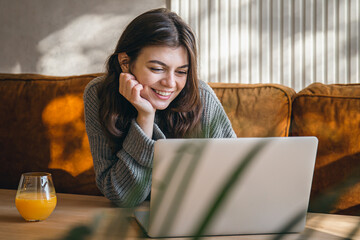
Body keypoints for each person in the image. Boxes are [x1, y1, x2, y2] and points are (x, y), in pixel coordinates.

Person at [84, 8, 236, 207]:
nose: (170, 83)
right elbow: (122, 196)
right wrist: (145, 118)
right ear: (125, 62)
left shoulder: (202, 97)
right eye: (157, 68)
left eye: (181, 72)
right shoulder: (99, 95)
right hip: (126, 222)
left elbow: (235, 179)